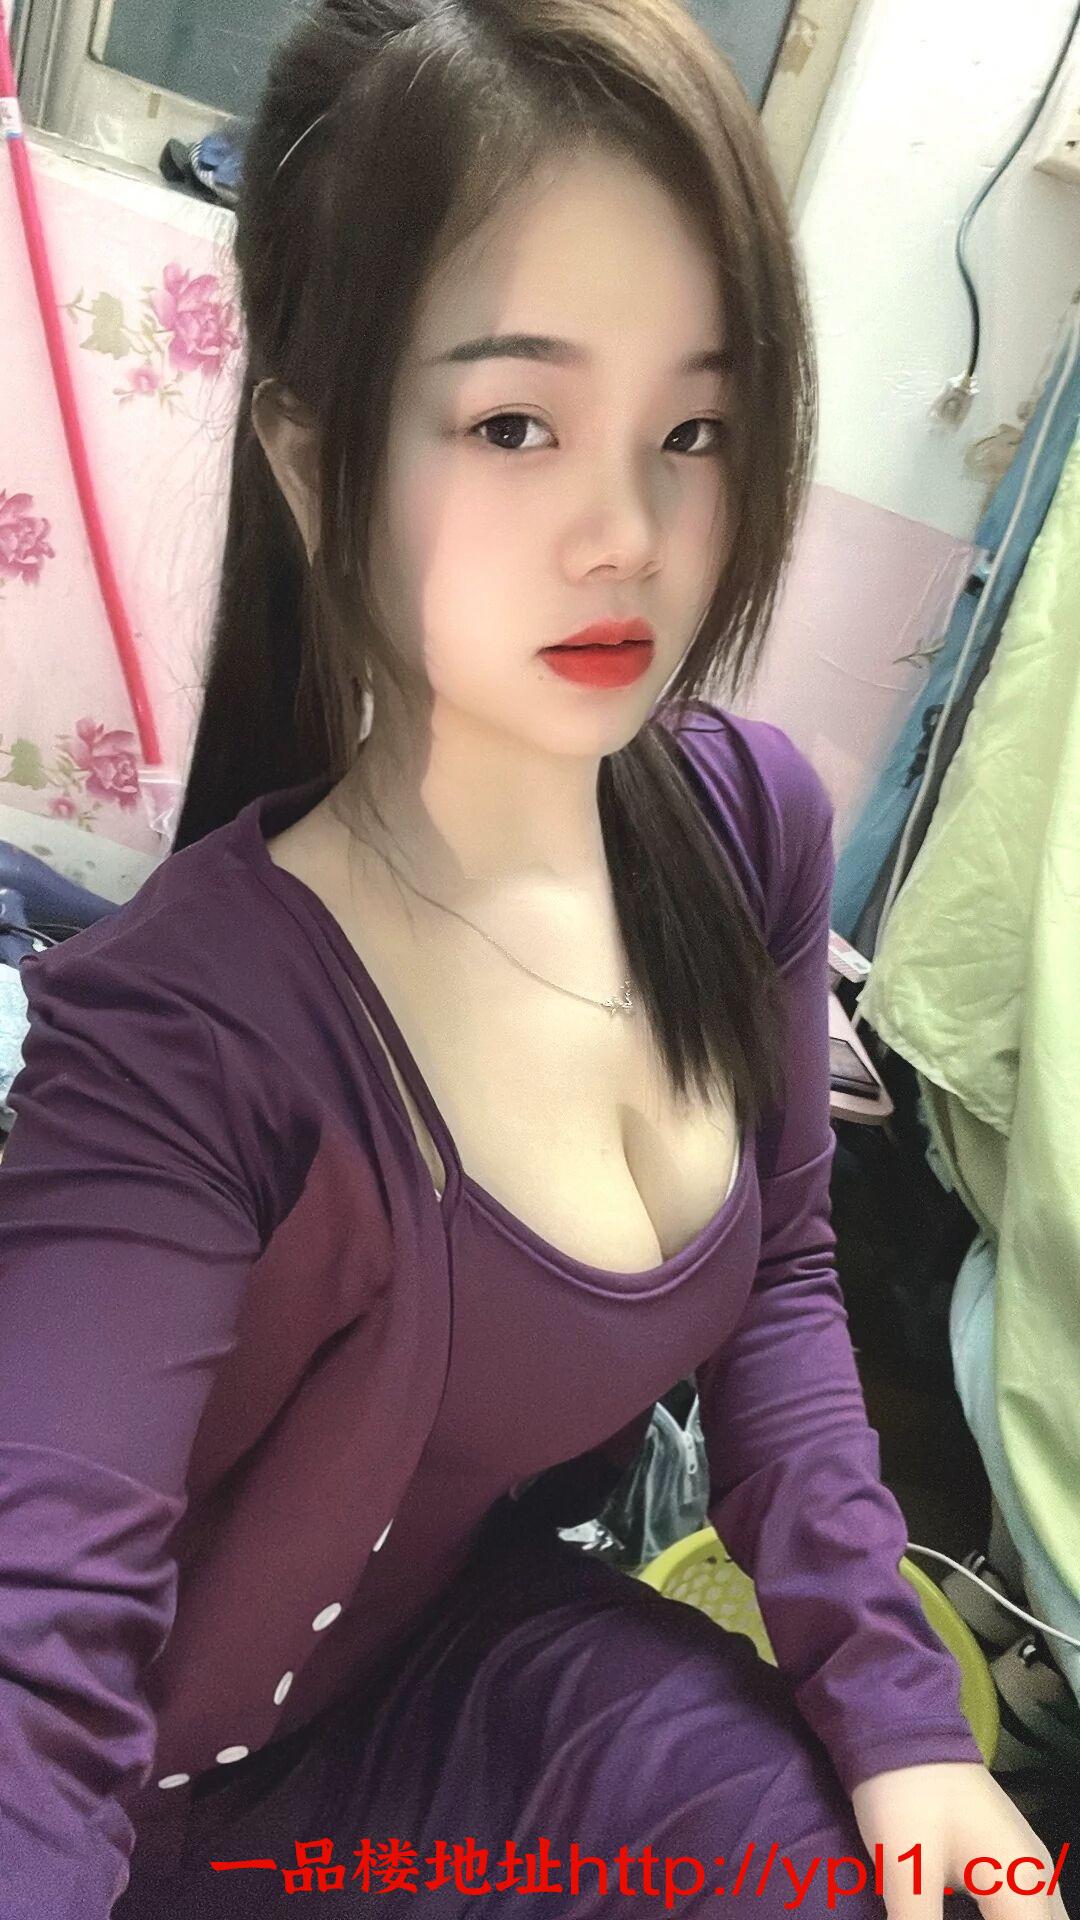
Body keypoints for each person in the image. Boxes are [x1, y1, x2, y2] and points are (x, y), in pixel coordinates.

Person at [0, 1, 1067, 1915]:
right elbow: (33, 1671)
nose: (629, 533)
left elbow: (781, 1280)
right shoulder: (183, 1040)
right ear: (317, 463)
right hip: (175, 1805)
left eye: (695, 430)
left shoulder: (743, 827)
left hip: (468, 1668)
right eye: (514, 424)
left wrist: (904, 1723)